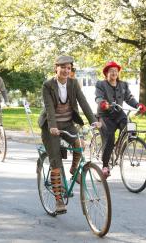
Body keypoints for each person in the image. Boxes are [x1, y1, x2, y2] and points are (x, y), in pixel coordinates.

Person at [38, 55, 99, 214]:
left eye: (69, 68)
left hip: (68, 123)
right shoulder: (48, 85)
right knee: (56, 162)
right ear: (56, 68)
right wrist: (52, 127)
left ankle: (74, 170)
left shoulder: (73, 83)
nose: (66, 70)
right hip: (50, 127)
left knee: (79, 144)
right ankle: (59, 200)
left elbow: (83, 102)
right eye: (63, 67)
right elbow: (49, 107)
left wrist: (93, 121)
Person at [95, 61, 146, 178]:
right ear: (106, 73)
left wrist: (138, 105)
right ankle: (105, 166)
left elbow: (129, 98)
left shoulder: (123, 85)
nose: (114, 73)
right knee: (109, 137)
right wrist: (102, 103)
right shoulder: (101, 84)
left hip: (118, 113)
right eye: (111, 71)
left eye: (116, 71)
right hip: (105, 115)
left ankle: (118, 146)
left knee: (130, 129)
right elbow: (98, 97)